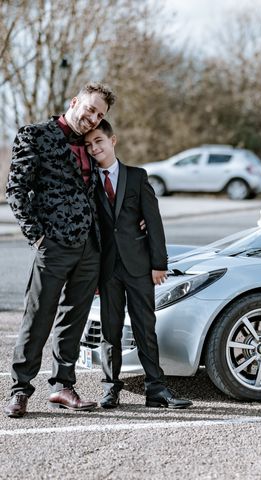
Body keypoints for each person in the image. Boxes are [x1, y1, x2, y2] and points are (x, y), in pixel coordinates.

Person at [4, 83, 115, 418]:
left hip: (89, 247)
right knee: (38, 317)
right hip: (52, 245)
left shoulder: (90, 142)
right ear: (75, 101)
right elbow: (16, 188)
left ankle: (62, 386)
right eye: (90, 109)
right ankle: (20, 389)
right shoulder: (35, 135)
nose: (93, 118)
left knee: (73, 319)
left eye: (100, 115)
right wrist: (36, 236)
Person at [84, 120, 192, 409]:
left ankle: (155, 389)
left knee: (145, 327)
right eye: (89, 145)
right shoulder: (88, 181)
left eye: (99, 141)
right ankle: (110, 387)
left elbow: (153, 222)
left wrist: (159, 263)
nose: (95, 148)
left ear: (112, 140)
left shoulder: (137, 176)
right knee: (111, 330)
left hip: (140, 266)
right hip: (106, 270)